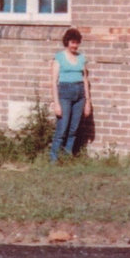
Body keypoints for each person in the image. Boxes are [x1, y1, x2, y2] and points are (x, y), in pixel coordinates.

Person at [50, 27, 91, 162]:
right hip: (65, 94)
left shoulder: (81, 58)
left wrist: (87, 102)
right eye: (72, 42)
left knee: (74, 129)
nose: (75, 45)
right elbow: (54, 81)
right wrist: (56, 103)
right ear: (67, 42)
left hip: (79, 94)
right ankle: (54, 160)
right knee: (62, 128)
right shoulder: (59, 57)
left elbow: (85, 79)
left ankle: (67, 158)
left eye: (77, 42)